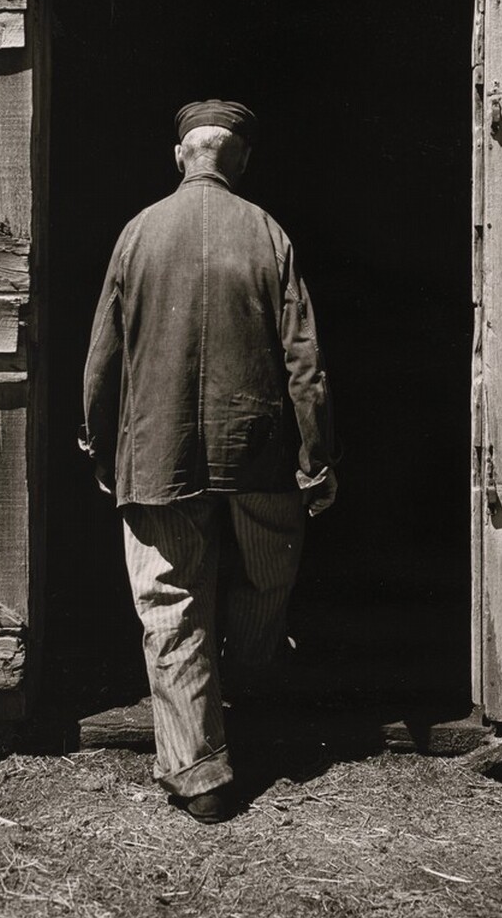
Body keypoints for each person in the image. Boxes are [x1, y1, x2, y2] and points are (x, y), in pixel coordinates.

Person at [80, 99, 337, 824]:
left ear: (180, 155)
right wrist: (315, 457)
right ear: (241, 159)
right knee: (267, 571)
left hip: (156, 451)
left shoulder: (137, 233)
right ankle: (253, 690)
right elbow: (305, 362)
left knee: (170, 598)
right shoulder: (267, 232)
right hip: (255, 453)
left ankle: (198, 769)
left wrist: (102, 444)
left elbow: (102, 357)